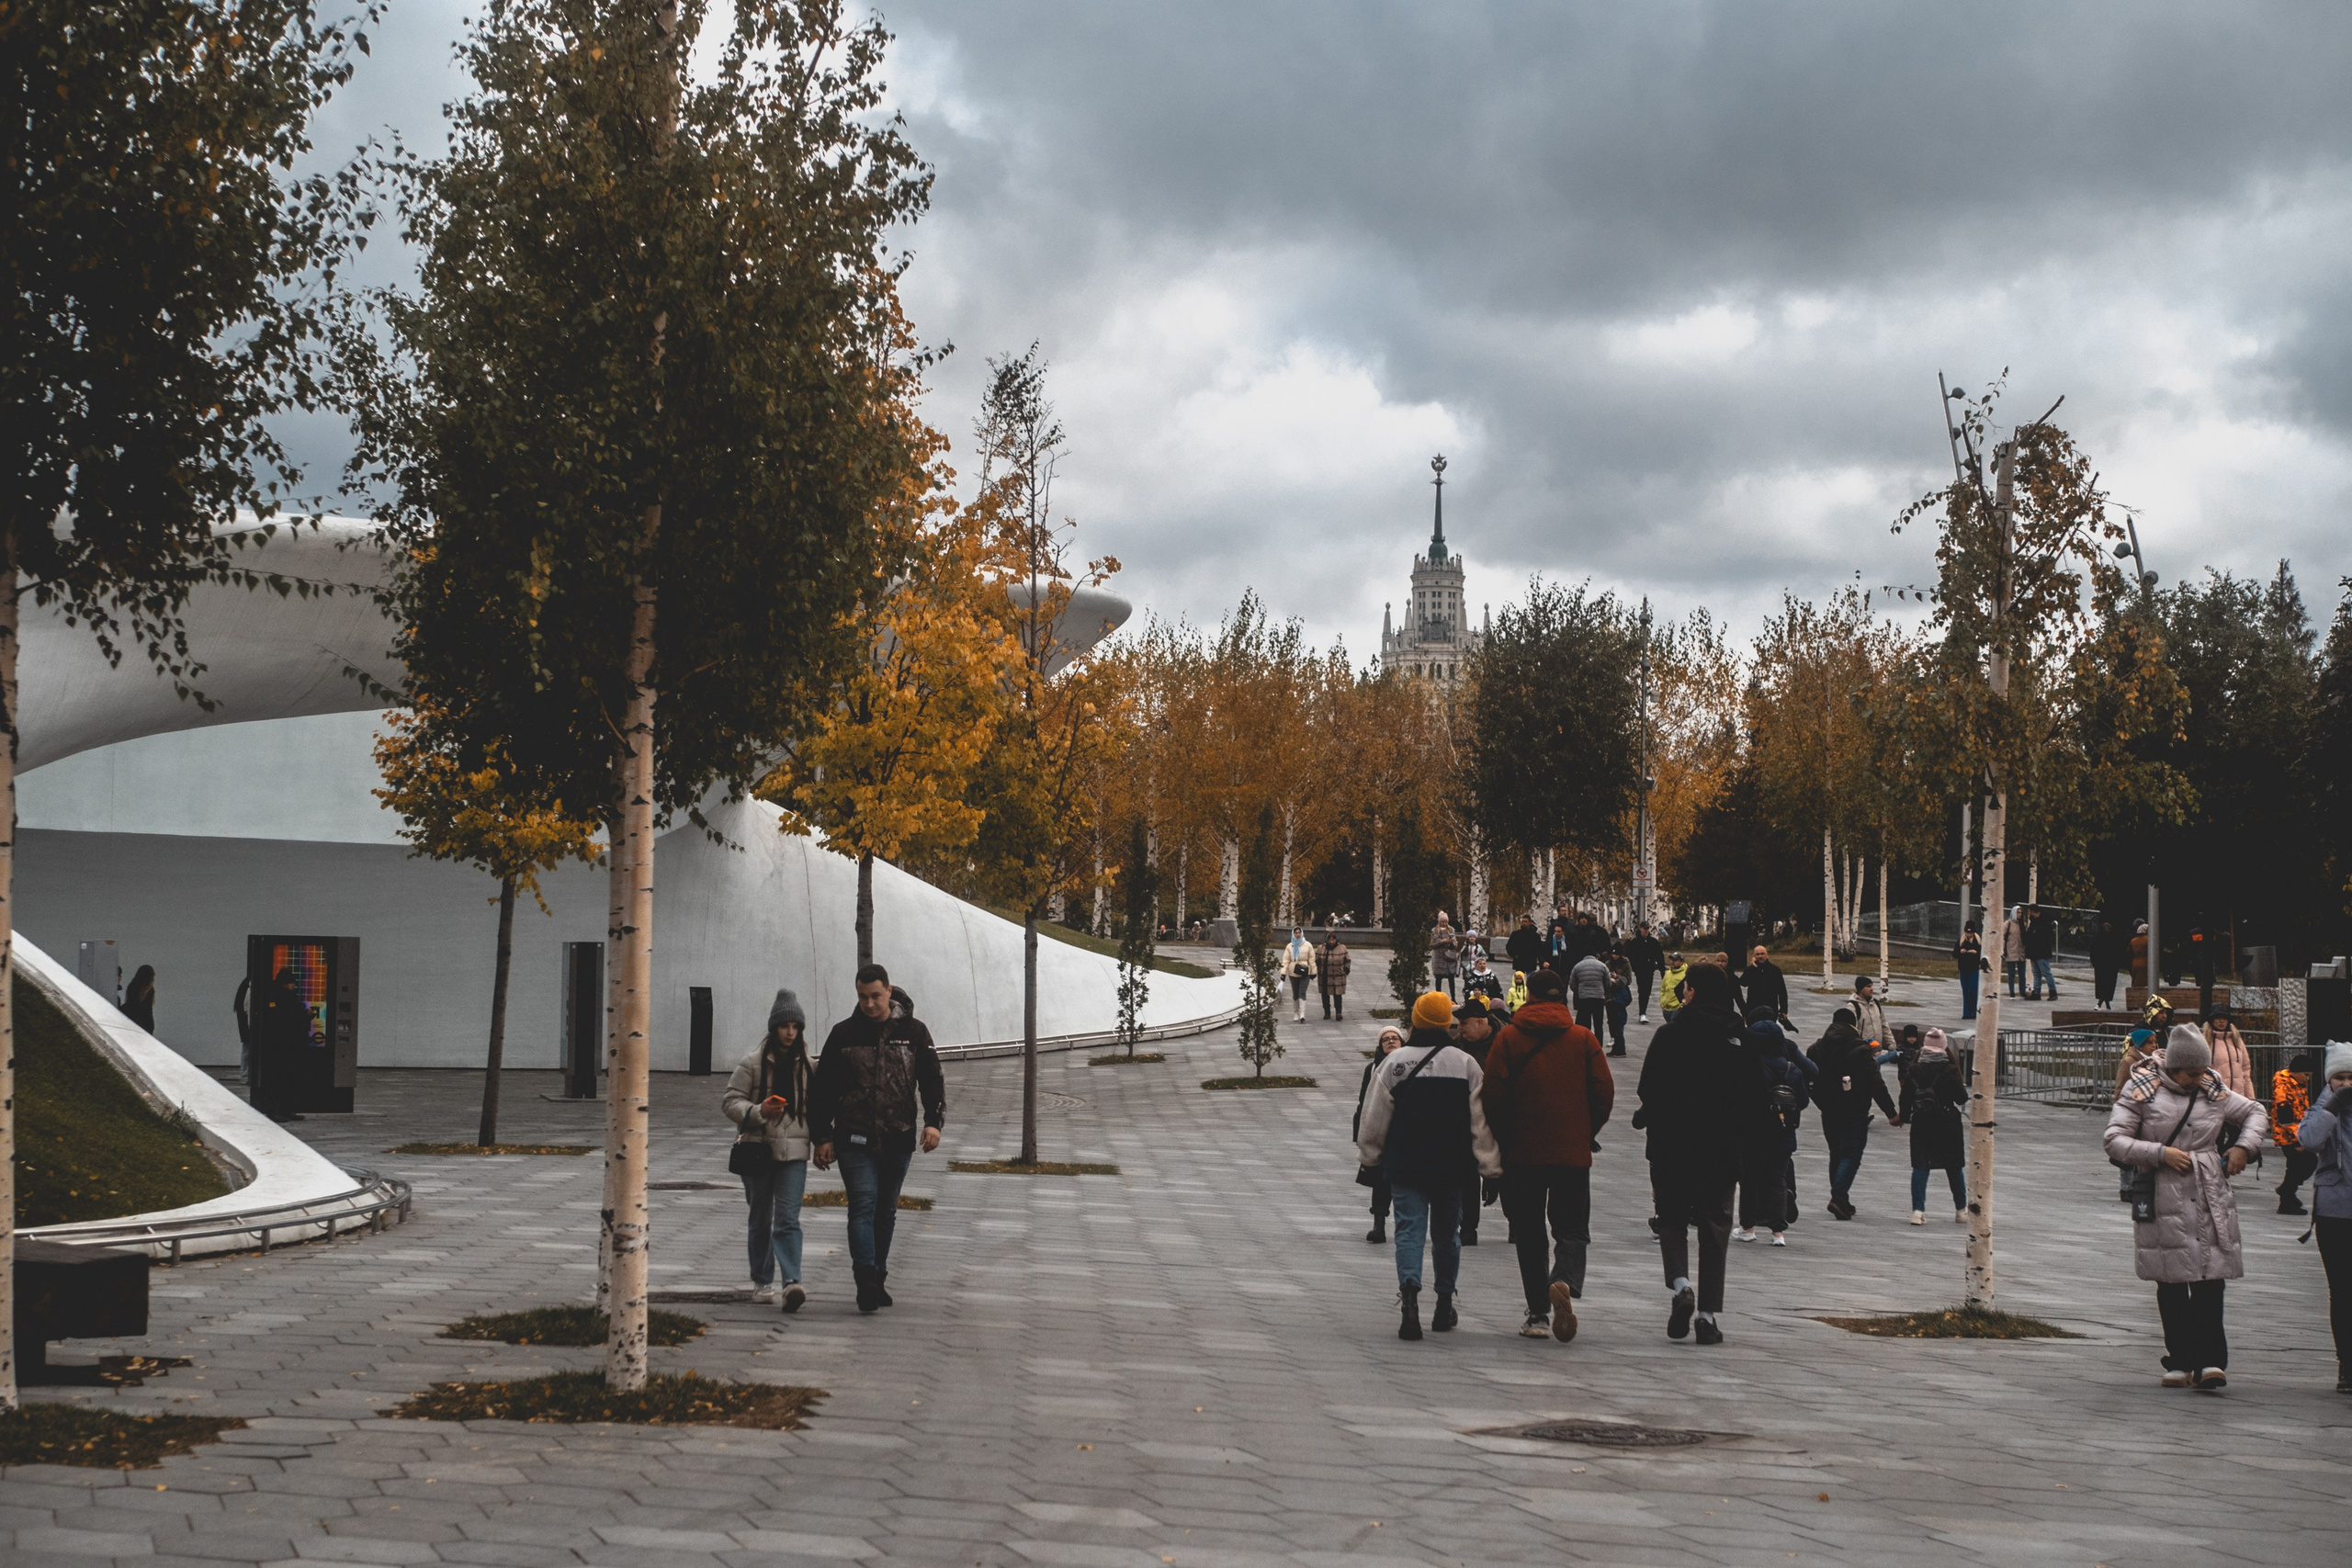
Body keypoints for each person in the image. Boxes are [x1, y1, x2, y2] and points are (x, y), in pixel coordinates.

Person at [2103, 1025, 2267, 1391]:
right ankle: (2180, 1359)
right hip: (2162, 1191)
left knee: (2211, 1277)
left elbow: (2255, 1112)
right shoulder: (2141, 1089)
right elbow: (2114, 1139)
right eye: (2192, 1073)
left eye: (2202, 1072)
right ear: (2175, 1068)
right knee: (2171, 1279)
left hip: (2209, 1189)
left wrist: (2243, 1148)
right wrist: (2160, 1153)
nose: (2199, 1079)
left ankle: (2211, 1361)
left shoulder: (2212, 1088)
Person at [1356, 992, 1502, 1341]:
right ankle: (1443, 1303)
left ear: (1416, 1020)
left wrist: (1371, 1156)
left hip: (1406, 1163)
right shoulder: (1466, 1064)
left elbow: (1374, 1117)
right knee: (1446, 1234)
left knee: (1408, 1230)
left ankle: (1409, 1300)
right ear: (1446, 1022)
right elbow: (1480, 1121)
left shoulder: (1395, 1063)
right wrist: (1490, 1166)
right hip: (1452, 1165)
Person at [1481, 966, 1613, 1342]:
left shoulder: (1508, 1039)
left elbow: (1492, 1095)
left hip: (1522, 1155)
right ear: (1563, 997)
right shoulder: (1583, 1039)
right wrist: (1585, 1133)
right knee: (1572, 1228)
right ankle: (1565, 1280)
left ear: (1530, 997)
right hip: (1572, 1154)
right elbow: (1604, 1093)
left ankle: (1538, 1314)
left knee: (1530, 1232)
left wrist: (1507, 1138)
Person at [1634, 964, 1763, 1345]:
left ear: (1690, 992)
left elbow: (1647, 1089)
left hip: (1672, 1149)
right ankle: (1707, 1317)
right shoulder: (1741, 1039)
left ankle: (1681, 1287)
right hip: (1721, 1152)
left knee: (1671, 1219)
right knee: (1716, 1225)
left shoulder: (1669, 1035)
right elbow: (1755, 1100)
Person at [808, 963, 947, 1314]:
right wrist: (821, 1136)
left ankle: (879, 1276)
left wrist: (934, 1123)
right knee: (863, 1204)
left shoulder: (914, 1033)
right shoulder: (843, 1035)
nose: (869, 1004)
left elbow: (932, 1081)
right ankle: (865, 1278)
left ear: (888, 991)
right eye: (862, 997)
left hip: (898, 1136)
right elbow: (822, 1090)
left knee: (886, 1211)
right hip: (854, 1136)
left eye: (875, 996)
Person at [722, 991, 815, 1312]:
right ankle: (762, 1280)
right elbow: (730, 1101)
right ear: (773, 1027)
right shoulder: (752, 1063)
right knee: (760, 1217)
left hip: (795, 1153)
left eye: (795, 1026)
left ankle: (792, 1282)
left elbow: (816, 1109)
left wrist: (825, 1143)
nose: (789, 1032)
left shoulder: (809, 1067)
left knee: (788, 1218)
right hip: (757, 1150)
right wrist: (759, 1110)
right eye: (784, 1026)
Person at [2294, 1043, 2352, 1392]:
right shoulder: (2322, 1110)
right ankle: (2347, 1363)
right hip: (2333, 1211)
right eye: (2339, 1078)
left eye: (2351, 1078)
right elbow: (2309, 1139)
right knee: (2343, 1290)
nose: (2346, 1084)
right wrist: (2333, 1105)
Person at [1809, 1007, 1897, 1219]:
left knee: (1836, 1154)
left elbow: (1810, 1079)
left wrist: (1821, 1103)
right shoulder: (1861, 1050)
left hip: (1829, 1110)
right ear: (1853, 1025)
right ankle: (1839, 1197)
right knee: (1851, 1154)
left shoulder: (1816, 1049)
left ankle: (1842, 1201)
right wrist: (1891, 1112)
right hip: (1855, 1110)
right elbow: (1876, 1083)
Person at [1737, 1011, 1809, 1246]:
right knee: (1777, 1181)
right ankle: (1778, 1232)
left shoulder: (1749, 1066)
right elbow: (1804, 1101)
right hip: (1783, 1133)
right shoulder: (1791, 1069)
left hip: (1753, 1135)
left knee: (1750, 1181)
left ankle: (1748, 1228)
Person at [1900, 1027, 1968, 1225]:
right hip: (1947, 1121)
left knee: (1920, 1165)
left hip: (1922, 1120)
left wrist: (1903, 1117)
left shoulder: (1914, 1069)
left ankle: (1918, 1211)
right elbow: (1961, 1097)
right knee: (1954, 1166)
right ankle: (1960, 1210)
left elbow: (1905, 1097)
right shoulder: (1950, 1069)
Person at [1354, 1026, 1406, 1242]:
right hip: (1381, 1129)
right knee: (1380, 1179)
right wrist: (1360, 1131)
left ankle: (1406, 1225)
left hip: (1404, 1131)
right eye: (1386, 1039)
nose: (1391, 1041)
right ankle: (1379, 1224)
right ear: (1380, 1045)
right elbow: (1364, 1101)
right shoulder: (1373, 1067)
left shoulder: (1410, 1065)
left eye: (1395, 1038)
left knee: (1405, 1182)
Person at [2274, 1053, 2318, 1215]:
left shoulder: (2297, 1085)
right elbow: (2285, 1116)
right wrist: (2295, 1140)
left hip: (2296, 1134)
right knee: (2303, 1163)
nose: (2308, 1079)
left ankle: (2288, 1193)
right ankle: (2286, 1194)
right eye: (2306, 1075)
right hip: (2289, 1137)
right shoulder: (2284, 1086)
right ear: (2296, 1072)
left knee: (2297, 1165)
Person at [2203, 1011, 2256, 1101]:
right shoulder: (2205, 1041)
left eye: (2224, 1018)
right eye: (2218, 1018)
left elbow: (2245, 1070)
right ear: (2212, 1020)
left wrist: (2250, 1097)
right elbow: (2201, 1070)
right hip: (2215, 1096)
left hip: (2238, 1096)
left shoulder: (2237, 1040)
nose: (2221, 1021)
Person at [1624, 922, 1665, 1022]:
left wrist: (1662, 970)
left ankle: (1643, 1012)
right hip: (1640, 970)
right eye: (1644, 928)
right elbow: (1629, 956)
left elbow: (1660, 957)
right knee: (1642, 991)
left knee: (1647, 992)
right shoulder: (1635, 942)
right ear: (1640, 929)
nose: (1646, 931)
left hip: (1649, 970)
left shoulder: (1653, 942)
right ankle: (1642, 1013)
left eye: (1647, 928)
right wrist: (1634, 968)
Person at [1568, 948, 1611, 1042]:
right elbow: (1608, 984)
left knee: (1585, 1024)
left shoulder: (1577, 966)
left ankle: (1585, 1044)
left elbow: (1572, 985)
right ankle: (1598, 1046)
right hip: (1598, 998)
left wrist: (1580, 990)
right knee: (1598, 1025)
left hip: (1584, 998)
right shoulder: (1602, 966)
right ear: (1596, 956)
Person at [1741, 946, 1787, 1023]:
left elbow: (1782, 991)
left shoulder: (1775, 970)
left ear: (1767, 955)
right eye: (1757, 954)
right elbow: (1743, 983)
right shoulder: (1750, 970)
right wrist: (1752, 968)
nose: (1760, 956)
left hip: (1770, 1008)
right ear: (1754, 956)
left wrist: (1783, 1010)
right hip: (1753, 1008)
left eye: (1762, 954)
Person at [1283, 929, 1318, 1022]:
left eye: (1299, 933)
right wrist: (1283, 973)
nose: (1298, 935)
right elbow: (1286, 960)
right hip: (1293, 972)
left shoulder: (1308, 945)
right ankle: (1296, 1012)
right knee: (1295, 992)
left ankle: (1302, 1014)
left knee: (1302, 992)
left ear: (1302, 933)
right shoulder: (1290, 946)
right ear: (1293, 934)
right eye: (1296, 933)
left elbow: (1311, 959)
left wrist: (1313, 972)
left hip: (1305, 972)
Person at [2024, 905, 2059, 1000]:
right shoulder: (2034, 922)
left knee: (2046, 972)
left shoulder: (2043, 922)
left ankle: (2053, 992)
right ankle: (2037, 992)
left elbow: (2042, 937)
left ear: (2032, 911)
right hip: (2034, 951)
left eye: (2029, 911)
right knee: (2036, 973)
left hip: (2041, 951)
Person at [2091, 916, 2127, 1010]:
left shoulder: (2098, 939)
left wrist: (2095, 964)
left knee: (2102, 985)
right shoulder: (2114, 939)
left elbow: (2093, 953)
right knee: (2109, 986)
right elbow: (2119, 953)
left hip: (2101, 967)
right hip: (2111, 968)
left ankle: (2101, 1004)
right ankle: (2104, 1004)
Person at [1954, 922, 1985, 1021]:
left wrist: (1976, 953)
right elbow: (1955, 953)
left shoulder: (1978, 942)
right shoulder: (1961, 941)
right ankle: (1966, 1012)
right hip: (1963, 969)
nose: (1968, 935)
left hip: (1974, 969)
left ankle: (1973, 1012)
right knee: (1966, 990)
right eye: (1967, 932)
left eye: (1971, 933)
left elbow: (1983, 955)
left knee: (1973, 989)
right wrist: (1960, 952)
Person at [1850, 975, 1889, 1054]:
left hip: (1877, 1051)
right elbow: (1852, 1032)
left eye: (1872, 986)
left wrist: (1891, 1045)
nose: (1872, 989)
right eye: (1868, 986)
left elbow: (1884, 1025)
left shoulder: (1875, 1004)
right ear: (1860, 989)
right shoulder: (1853, 1006)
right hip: (1862, 1052)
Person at [1603, 956, 1633, 1057]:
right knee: (1613, 1023)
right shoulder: (1608, 963)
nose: (1614, 956)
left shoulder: (1625, 964)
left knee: (1618, 1025)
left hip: (1618, 999)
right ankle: (1616, 1048)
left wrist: (1616, 978)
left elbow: (1626, 980)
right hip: (1611, 998)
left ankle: (1620, 1049)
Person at [1506, 916, 1546, 985]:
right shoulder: (1516, 934)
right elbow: (1509, 946)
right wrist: (1514, 955)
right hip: (1519, 961)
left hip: (1530, 962)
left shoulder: (1535, 936)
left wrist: (1536, 957)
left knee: (1531, 982)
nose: (1524, 923)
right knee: (1519, 982)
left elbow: (1539, 949)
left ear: (1530, 922)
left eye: (1526, 921)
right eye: (1523, 921)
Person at [1321, 933, 1351, 1021]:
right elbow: (1317, 960)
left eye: (1333, 939)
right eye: (1330, 940)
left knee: (1338, 994)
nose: (1331, 941)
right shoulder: (1322, 948)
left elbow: (1347, 960)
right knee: (1325, 994)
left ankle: (1339, 1012)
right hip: (1326, 975)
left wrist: (1346, 968)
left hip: (1338, 975)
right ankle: (1327, 1012)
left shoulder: (1342, 948)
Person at [1430, 916, 1461, 999]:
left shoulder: (1451, 929)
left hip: (1449, 957)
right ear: (1439, 922)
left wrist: (1451, 942)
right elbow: (1432, 945)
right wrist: (1441, 942)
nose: (1444, 923)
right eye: (1442, 922)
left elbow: (1455, 944)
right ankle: (1438, 998)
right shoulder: (1434, 931)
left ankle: (1453, 998)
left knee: (1451, 978)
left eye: (1445, 922)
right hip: (1439, 957)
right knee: (1439, 978)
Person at [121, 964, 157, 1033]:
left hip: (131, 1020)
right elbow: (148, 1010)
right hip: (143, 1023)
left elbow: (131, 1003)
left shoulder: (132, 986)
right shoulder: (149, 990)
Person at [2002, 906, 2028, 998]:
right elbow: (2002, 936)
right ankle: (2012, 992)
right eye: (2018, 912)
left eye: (2021, 913)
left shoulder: (2023, 924)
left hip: (2021, 952)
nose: (2020, 915)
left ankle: (2022, 991)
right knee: (2011, 974)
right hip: (2011, 951)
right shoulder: (2008, 924)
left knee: (2022, 974)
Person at [1659, 953, 1689, 1017]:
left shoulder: (1686, 973)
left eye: (1675, 960)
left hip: (1677, 1009)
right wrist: (1663, 1003)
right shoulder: (1668, 973)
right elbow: (1663, 989)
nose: (1672, 962)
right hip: (1666, 1009)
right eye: (1671, 960)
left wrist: (1681, 1005)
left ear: (1682, 961)